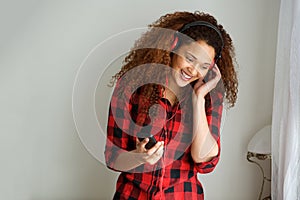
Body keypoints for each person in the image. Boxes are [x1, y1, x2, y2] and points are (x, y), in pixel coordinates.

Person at [105, 11, 238, 200]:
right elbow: (113, 158)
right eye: (190, 58)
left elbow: (205, 161)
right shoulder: (130, 87)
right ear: (174, 45)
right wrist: (139, 157)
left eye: (203, 65)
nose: (193, 70)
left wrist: (198, 98)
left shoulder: (210, 97)